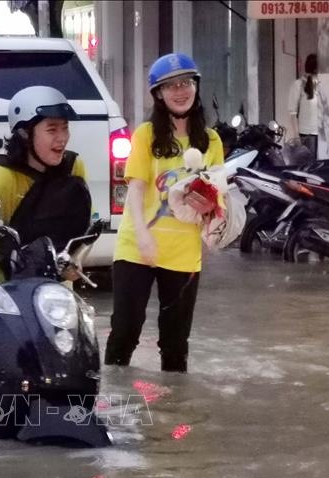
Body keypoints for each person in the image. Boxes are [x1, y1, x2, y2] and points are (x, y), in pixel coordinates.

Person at [104, 53, 224, 372]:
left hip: (184, 254)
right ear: (158, 94)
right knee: (125, 333)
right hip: (136, 249)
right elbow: (136, 189)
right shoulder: (145, 135)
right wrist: (142, 236)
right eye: (170, 86)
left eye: (185, 83)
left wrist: (210, 205)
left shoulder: (212, 141)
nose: (179, 91)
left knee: (175, 344)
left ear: (195, 87)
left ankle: (176, 420)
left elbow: (217, 198)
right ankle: (112, 410)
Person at [0, 86, 91, 305]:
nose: (62, 138)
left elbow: (81, 230)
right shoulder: (1, 174)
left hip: (53, 281)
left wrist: (76, 261)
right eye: (52, 130)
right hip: (0, 284)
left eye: (65, 128)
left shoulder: (73, 167)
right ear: (25, 133)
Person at [288, 53, 321, 159]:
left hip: (323, 133)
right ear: (316, 69)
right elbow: (292, 112)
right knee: (309, 166)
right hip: (308, 134)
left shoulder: (322, 84)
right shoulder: (298, 85)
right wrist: (296, 136)